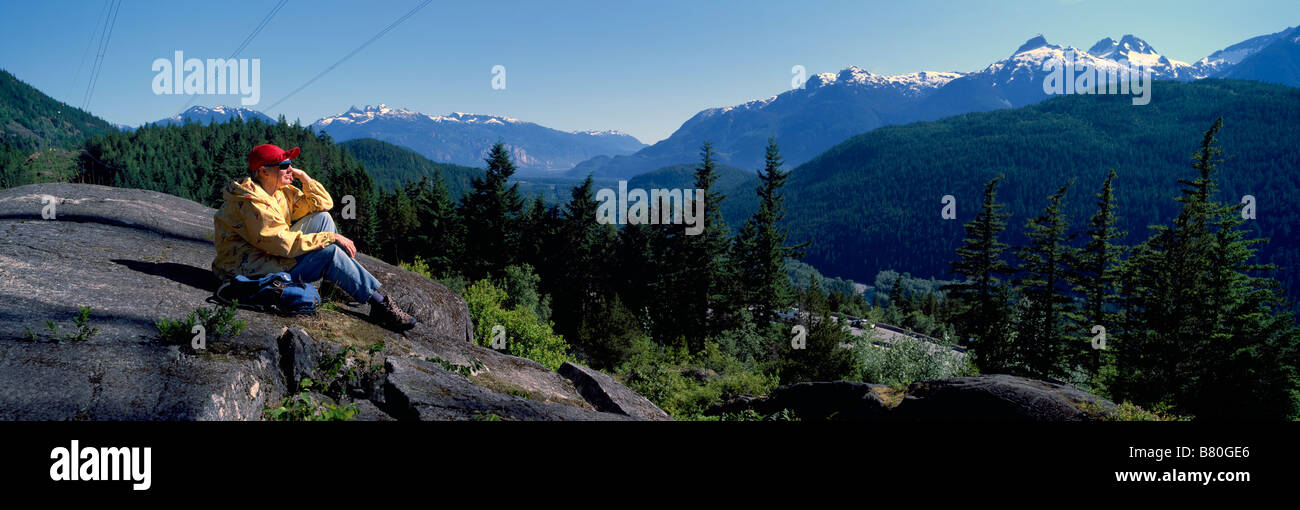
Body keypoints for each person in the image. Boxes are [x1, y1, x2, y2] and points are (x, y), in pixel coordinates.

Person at [211, 143, 416, 331]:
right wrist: (330, 238)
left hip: (266, 253)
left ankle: (336, 284)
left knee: (323, 218)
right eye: (284, 165)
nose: (290, 168)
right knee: (330, 252)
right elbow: (282, 245)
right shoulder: (253, 203)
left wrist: (304, 178)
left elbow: (323, 204)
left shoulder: (277, 191)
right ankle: (378, 304)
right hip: (250, 268)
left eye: (290, 163)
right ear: (264, 171)